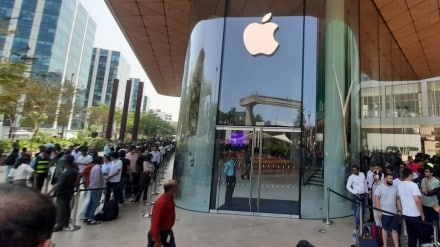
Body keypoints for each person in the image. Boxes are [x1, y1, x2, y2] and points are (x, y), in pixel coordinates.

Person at [397, 168, 431, 246]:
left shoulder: (400, 185)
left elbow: (398, 198)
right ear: (409, 175)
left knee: (411, 236)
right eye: (412, 174)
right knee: (422, 236)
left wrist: (400, 210)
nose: (413, 176)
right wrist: (422, 214)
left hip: (406, 214)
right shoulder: (413, 185)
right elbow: (417, 200)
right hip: (415, 214)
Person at [48, 154, 79, 232]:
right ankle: (65, 223)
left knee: (61, 209)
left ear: (66, 163)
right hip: (70, 191)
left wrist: (55, 193)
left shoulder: (65, 173)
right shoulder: (75, 171)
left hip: (62, 193)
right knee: (67, 208)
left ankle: (59, 225)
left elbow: (60, 184)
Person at [147, 179, 179, 247]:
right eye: (176, 186)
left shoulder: (170, 198)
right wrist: (157, 240)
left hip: (167, 231)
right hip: (159, 233)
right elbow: (155, 222)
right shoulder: (162, 203)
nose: (178, 188)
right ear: (171, 188)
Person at [374, 173, 401, 247]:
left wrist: (399, 210)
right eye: (390, 178)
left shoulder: (395, 187)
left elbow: (397, 199)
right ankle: (385, 245)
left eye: (392, 178)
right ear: (385, 179)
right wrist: (379, 211)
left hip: (394, 213)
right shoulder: (380, 187)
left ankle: (396, 245)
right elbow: (377, 199)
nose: (392, 180)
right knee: (384, 229)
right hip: (384, 213)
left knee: (395, 230)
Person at [346, 165, 368, 229]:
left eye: (355, 170)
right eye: (353, 170)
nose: (354, 171)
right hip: (357, 196)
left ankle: (362, 222)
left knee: (364, 210)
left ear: (358, 170)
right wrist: (355, 193)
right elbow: (348, 187)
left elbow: (365, 183)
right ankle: (358, 224)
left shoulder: (362, 174)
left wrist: (366, 191)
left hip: (364, 194)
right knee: (357, 210)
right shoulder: (351, 177)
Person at [84, 156, 104, 225]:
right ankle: (91, 218)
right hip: (96, 188)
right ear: (100, 161)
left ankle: (87, 216)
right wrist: (100, 187)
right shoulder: (98, 168)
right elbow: (97, 180)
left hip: (92, 187)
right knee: (95, 203)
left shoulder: (94, 167)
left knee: (91, 202)